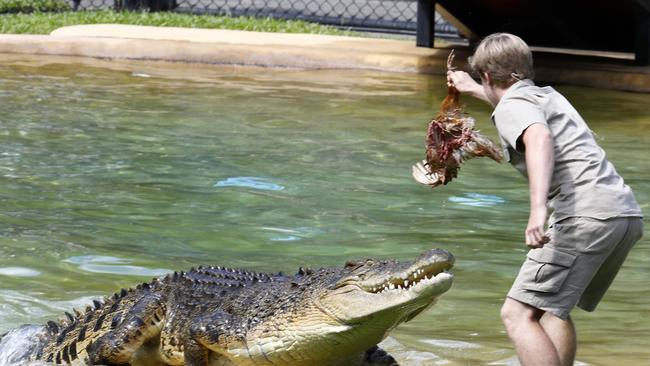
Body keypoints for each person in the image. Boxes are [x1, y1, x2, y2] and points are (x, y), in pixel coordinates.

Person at [446, 33, 644, 366]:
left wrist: (537, 211)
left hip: (584, 215)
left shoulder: (513, 107)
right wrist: (472, 88)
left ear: (489, 75)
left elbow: (538, 136)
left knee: (517, 314)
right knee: (553, 309)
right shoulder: (546, 96)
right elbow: (515, 105)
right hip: (622, 213)